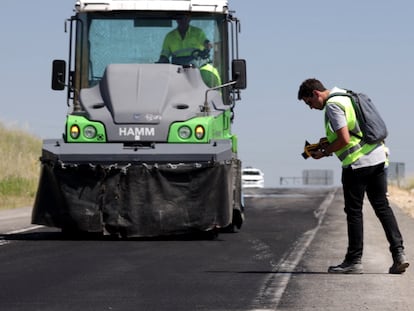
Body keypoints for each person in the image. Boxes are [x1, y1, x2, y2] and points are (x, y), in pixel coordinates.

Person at [297, 78, 409, 274]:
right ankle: (399, 254)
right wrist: (326, 142)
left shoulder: (332, 106)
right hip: (379, 157)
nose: (311, 108)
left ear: (316, 94)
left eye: (309, 103)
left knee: (354, 211)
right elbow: (353, 130)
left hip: (358, 164)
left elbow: (344, 139)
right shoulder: (346, 96)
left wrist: (324, 152)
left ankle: (354, 260)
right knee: (382, 207)